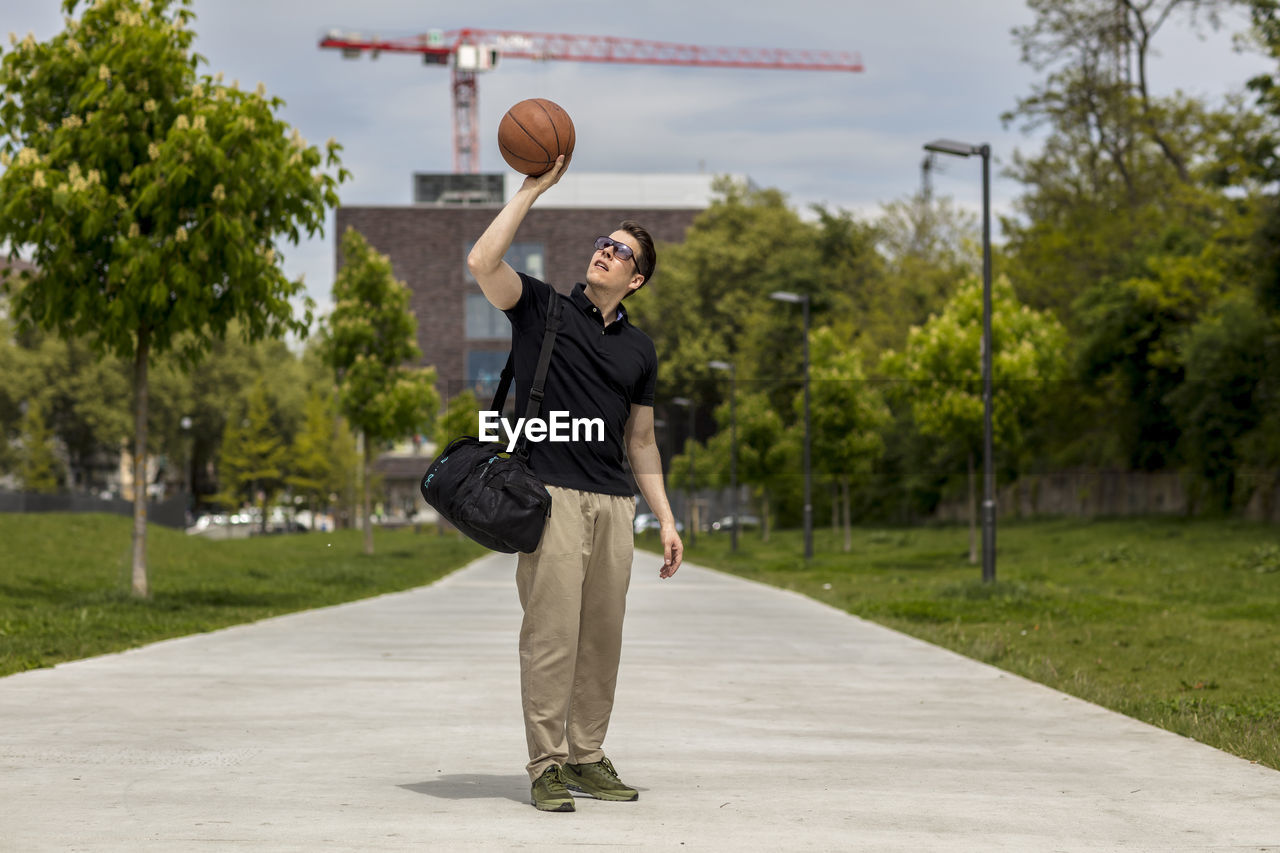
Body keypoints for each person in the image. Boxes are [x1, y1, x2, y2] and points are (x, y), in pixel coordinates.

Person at [467, 155, 684, 813]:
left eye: (618, 251)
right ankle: (546, 765)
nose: (603, 252)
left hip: (615, 504)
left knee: (601, 638)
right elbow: (482, 262)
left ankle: (587, 756)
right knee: (552, 635)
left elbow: (641, 440)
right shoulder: (540, 309)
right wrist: (530, 191)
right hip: (551, 495)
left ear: (636, 277)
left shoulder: (639, 350)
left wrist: (666, 519)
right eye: (601, 243)